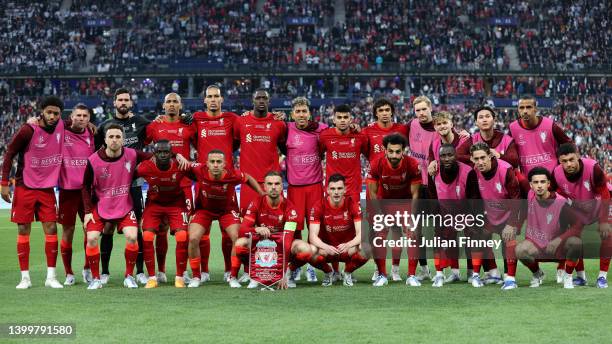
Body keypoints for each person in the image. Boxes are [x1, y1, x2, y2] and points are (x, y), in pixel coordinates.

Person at [1, 96, 66, 289]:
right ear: (42, 111)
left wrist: (92, 127)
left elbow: (80, 122)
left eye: (56, 113)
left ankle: (51, 277)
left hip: (46, 188)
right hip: (24, 186)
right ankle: (25, 278)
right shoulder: (27, 130)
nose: (53, 116)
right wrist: (4, 183)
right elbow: (9, 153)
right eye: (49, 112)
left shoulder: (62, 126)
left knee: (52, 228)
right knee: (23, 229)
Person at [82, 124, 153, 289]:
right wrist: (87, 211)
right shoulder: (93, 160)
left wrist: (175, 155)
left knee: (132, 237)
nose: (114, 140)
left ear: (123, 140)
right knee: (92, 238)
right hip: (101, 206)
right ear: (105, 140)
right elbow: (85, 186)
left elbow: (154, 157)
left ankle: (129, 276)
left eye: (118, 137)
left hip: (124, 205)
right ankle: (96, 278)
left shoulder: (132, 154)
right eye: (111, 137)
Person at [94, 88, 151, 285]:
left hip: (134, 185)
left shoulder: (141, 122)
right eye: (120, 100)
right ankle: (105, 272)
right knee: (108, 227)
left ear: (131, 103)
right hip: (110, 187)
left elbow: (158, 129)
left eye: (127, 99)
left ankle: (140, 271)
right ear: (114, 102)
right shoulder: (104, 126)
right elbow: (96, 154)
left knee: (138, 228)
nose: (123, 102)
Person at [186, 150, 263, 288]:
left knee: (237, 238)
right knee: (192, 238)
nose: (215, 165)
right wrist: (177, 156)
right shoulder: (198, 169)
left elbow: (249, 178)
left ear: (224, 164)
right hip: (204, 210)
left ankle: (232, 276)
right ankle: (196, 276)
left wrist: (262, 194)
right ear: (207, 164)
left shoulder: (233, 174)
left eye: (219, 162)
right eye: (212, 162)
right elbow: (183, 166)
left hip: (227, 211)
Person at [144, 93, 195, 284]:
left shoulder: (189, 126)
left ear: (180, 105)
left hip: (183, 186)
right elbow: (143, 144)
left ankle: (183, 271)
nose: (172, 105)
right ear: (163, 105)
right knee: (160, 231)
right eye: (169, 102)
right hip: (160, 185)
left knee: (183, 232)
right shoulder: (155, 126)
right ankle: (161, 271)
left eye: (175, 102)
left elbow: (201, 145)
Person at [231, 171, 311, 289]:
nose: (273, 187)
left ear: (281, 186)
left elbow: (287, 240)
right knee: (240, 243)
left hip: (281, 246)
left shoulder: (290, 208)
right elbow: (242, 230)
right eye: (270, 184)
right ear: (264, 186)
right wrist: (257, 229)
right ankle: (243, 275)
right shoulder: (256, 203)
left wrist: (282, 272)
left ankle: (288, 272)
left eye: (277, 184)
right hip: (261, 245)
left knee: (306, 249)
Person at [192, 85, 240, 282]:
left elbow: (237, 141)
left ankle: (230, 270)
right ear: (204, 100)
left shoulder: (232, 118)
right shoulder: (196, 119)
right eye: (209, 97)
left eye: (216, 97)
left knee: (228, 233)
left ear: (222, 100)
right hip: (204, 183)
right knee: (202, 233)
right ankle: (203, 271)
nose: (213, 100)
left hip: (226, 183)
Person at [362, 98, 408, 281]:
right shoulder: (367, 131)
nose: (384, 113)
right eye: (381, 110)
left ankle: (395, 269)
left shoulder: (403, 129)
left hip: (398, 188)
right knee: (377, 230)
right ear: (376, 113)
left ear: (392, 111)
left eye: (387, 109)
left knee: (397, 230)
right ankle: (378, 268)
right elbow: (366, 153)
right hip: (376, 188)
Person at [552, 143, 611, 288]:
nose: (568, 164)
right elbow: (556, 191)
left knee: (607, 234)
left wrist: (604, 221)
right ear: (559, 161)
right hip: (579, 208)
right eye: (564, 161)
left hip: (600, 205)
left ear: (578, 156)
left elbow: (604, 193)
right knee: (574, 238)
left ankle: (602, 277)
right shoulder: (556, 173)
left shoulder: (593, 168)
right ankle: (580, 277)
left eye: (571, 159)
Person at [366, 133, 421, 286]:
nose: (394, 155)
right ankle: (382, 274)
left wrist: (412, 217)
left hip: (405, 203)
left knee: (412, 235)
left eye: (398, 151)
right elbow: (372, 192)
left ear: (404, 150)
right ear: (385, 150)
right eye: (391, 151)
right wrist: (379, 216)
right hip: (384, 203)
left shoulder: (412, 164)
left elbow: (416, 193)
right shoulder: (376, 164)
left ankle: (411, 275)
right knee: (380, 235)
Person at [515, 167, 583, 289]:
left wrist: (559, 239)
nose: (539, 185)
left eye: (542, 182)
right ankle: (537, 274)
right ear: (530, 185)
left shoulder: (561, 203)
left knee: (576, 243)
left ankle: (568, 277)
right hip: (536, 246)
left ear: (548, 183)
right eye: (535, 182)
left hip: (557, 248)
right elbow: (515, 172)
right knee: (519, 250)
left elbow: (578, 224)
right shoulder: (530, 195)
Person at [137, 140, 192, 288]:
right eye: (159, 152)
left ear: (171, 153)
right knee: (147, 236)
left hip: (176, 204)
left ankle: (179, 277)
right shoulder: (144, 168)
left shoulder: (181, 166)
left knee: (182, 236)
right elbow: (127, 178)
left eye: (166, 152)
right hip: (154, 205)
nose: (162, 155)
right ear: (154, 154)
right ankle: (152, 277)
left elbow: (201, 175)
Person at [285, 96, 327, 282]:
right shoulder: (285, 129)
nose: (301, 115)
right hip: (295, 188)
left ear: (310, 113)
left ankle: (311, 265)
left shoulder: (321, 129)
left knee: (314, 229)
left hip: (314, 186)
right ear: (292, 114)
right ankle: (294, 266)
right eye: (298, 111)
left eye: (304, 111)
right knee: (294, 229)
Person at [470, 142, 522, 289]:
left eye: (483, 158)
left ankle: (510, 279)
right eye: (476, 159)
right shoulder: (475, 170)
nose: (480, 162)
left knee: (509, 239)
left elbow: (516, 199)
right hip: (490, 215)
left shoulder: (505, 170)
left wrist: (512, 224)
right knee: (478, 235)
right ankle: (478, 275)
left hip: (508, 214)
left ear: (490, 156)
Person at [428, 144, 480, 287]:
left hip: (466, 211)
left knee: (473, 238)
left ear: (456, 155)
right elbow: (432, 195)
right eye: (443, 156)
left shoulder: (468, 171)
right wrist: (437, 215)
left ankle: (474, 274)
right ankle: (443, 274)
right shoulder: (433, 171)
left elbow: (474, 197)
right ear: (439, 158)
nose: (447, 158)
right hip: (445, 211)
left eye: (450, 155)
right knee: (441, 240)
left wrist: (471, 218)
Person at [58, 104, 95, 286]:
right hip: (67, 190)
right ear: (71, 117)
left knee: (90, 230)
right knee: (68, 230)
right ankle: (68, 273)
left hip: (87, 191)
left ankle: (87, 269)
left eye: (84, 116)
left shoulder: (92, 134)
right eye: (78, 115)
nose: (81, 118)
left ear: (89, 119)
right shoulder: (62, 131)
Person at [308, 174, 369, 287]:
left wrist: (349, 244)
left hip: (347, 249)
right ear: (327, 190)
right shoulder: (318, 206)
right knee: (309, 250)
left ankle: (347, 272)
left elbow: (362, 233)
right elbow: (312, 236)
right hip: (327, 250)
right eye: (333, 188)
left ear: (345, 189)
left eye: (339, 188)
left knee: (368, 247)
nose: (336, 192)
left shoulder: (353, 205)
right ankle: (329, 272)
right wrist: (326, 246)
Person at [233, 89, 287, 215]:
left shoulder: (279, 123)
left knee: (277, 220)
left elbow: (285, 149)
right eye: (258, 98)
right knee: (247, 223)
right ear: (253, 100)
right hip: (248, 182)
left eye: (264, 98)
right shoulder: (241, 121)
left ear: (269, 101)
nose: (261, 101)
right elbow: (232, 146)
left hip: (272, 182)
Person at [508, 95, 572, 174]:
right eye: (521, 108)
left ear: (535, 109)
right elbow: (508, 153)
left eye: (528, 107)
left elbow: (569, 144)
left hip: (552, 178)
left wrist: (563, 162)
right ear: (518, 109)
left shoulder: (549, 125)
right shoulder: (513, 128)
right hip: (529, 181)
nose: (525, 111)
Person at [318, 104, 368, 202]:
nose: (342, 120)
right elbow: (319, 154)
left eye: (345, 117)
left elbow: (369, 155)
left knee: (356, 218)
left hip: (353, 190)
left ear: (350, 119)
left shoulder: (360, 136)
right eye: (339, 117)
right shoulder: (325, 136)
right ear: (334, 120)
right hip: (333, 189)